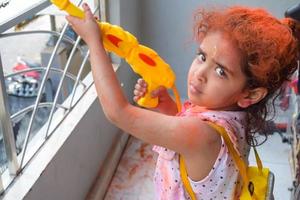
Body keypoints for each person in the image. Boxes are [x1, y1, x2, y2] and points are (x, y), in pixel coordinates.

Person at [66, 3, 299, 199]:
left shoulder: (202, 136)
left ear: (250, 95)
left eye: (221, 72)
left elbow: (118, 112)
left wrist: (94, 42)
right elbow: (193, 148)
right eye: (202, 56)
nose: (199, 73)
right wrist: (168, 109)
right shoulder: (232, 116)